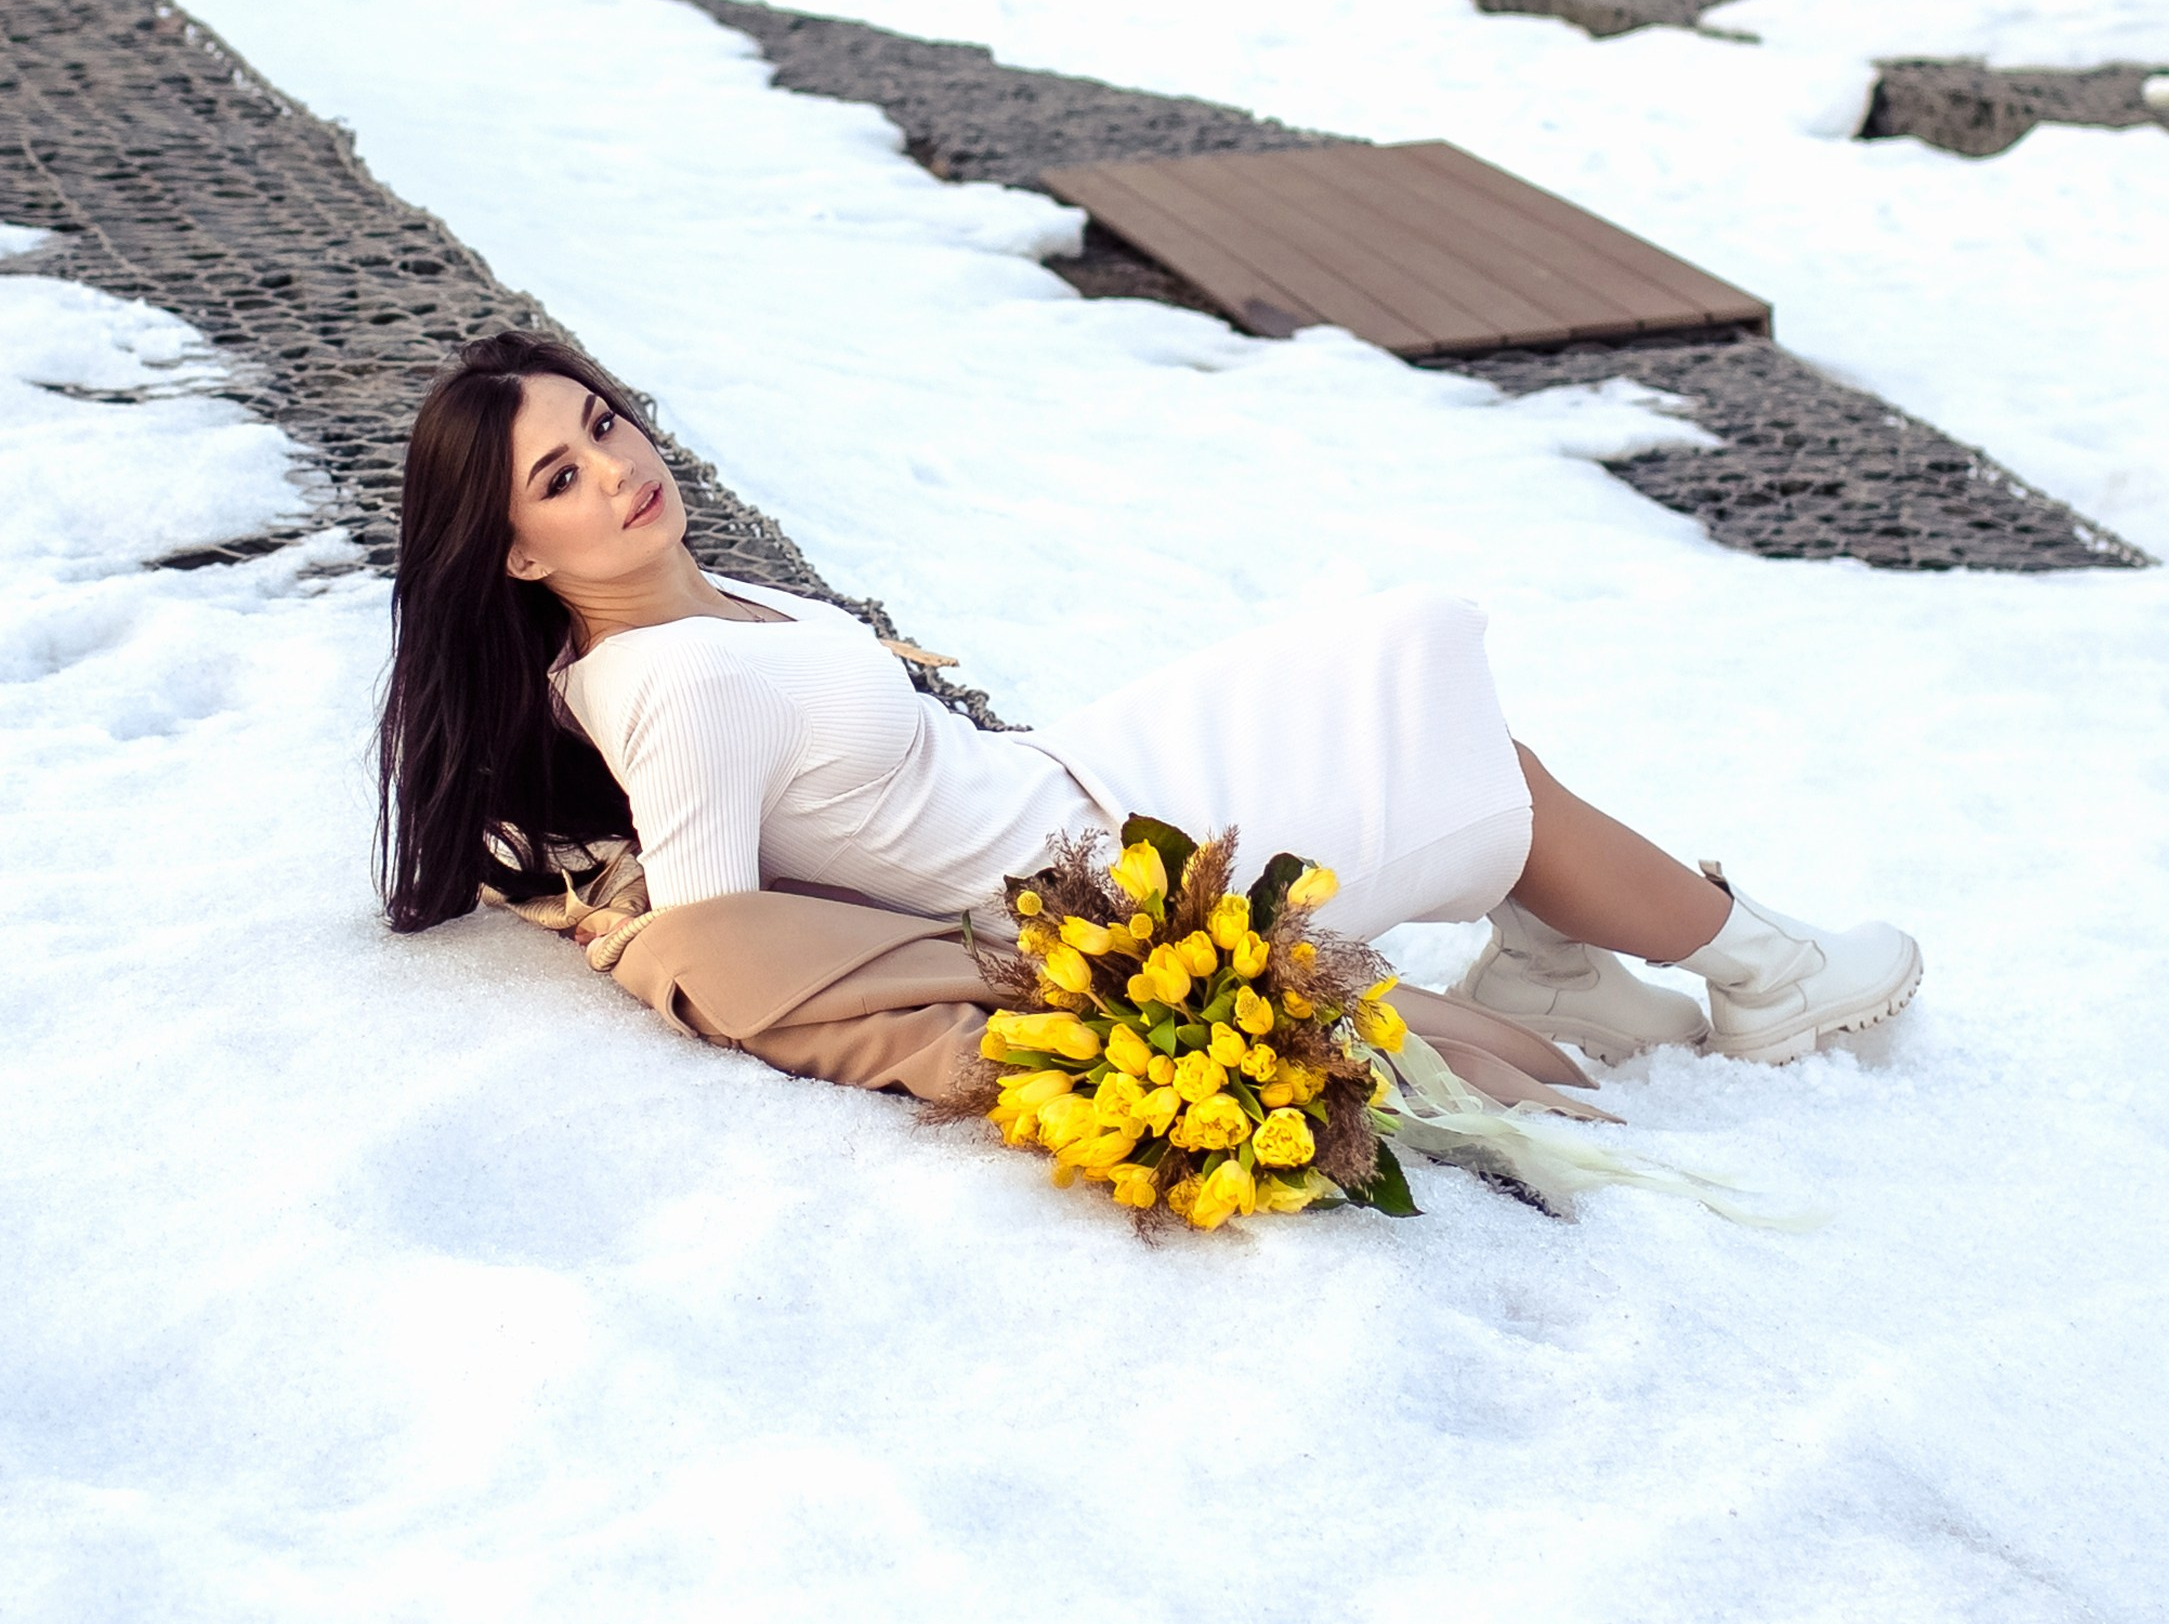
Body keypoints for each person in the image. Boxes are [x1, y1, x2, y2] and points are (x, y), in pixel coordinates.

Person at [378, 333, 1920, 1099]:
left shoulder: (666, 627)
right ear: (518, 553)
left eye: (601, 424)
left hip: (1075, 774)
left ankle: (1557, 953)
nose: (616, 470)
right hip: (1108, 864)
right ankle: (1760, 968)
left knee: (1400, 660)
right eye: (560, 482)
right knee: (1469, 763)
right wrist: (651, 935)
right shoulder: (683, 679)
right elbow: (724, 937)